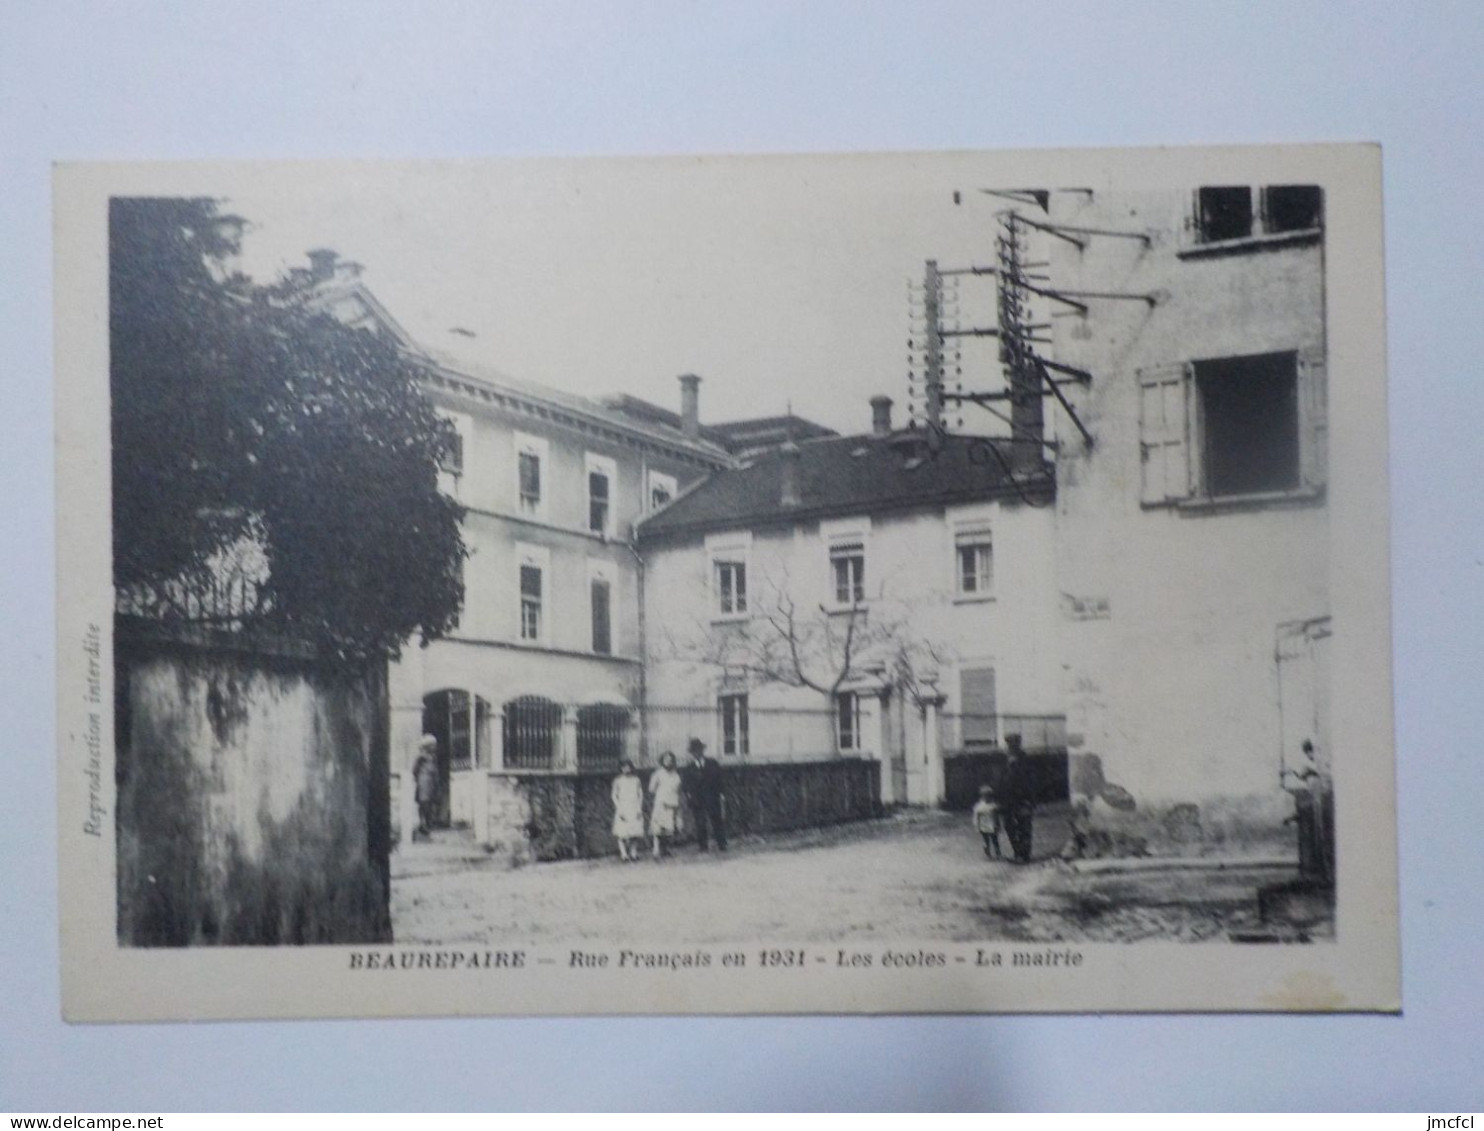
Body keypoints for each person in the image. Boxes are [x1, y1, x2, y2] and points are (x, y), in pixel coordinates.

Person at [682, 737, 727, 852]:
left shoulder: (712, 764)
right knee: (700, 823)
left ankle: (722, 844)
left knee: (716, 820)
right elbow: (686, 785)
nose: (697, 753)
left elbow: (720, 780)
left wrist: (721, 794)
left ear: (702, 751)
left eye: (699, 750)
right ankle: (703, 846)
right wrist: (689, 796)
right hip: (698, 800)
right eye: (694, 751)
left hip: (712, 797)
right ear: (692, 753)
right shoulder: (689, 768)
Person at [997, 733, 1037, 863]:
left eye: (1014, 744)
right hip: (1007, 800)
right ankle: (1017, 852)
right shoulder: (1004, 760)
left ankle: (1024, 855)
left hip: (1023, 799)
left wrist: (1031, 800)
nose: (1011, 747)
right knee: (1009, 827)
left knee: (1024, 827)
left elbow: (1032, 780)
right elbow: (1000, 780)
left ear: (1018, 745)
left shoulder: (1025, 760)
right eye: (1009, 744)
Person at [647, 751, 683, 859]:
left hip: (673, 802)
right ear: (662, 760)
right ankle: (656, 849)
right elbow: (651, 789)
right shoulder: (658, 774)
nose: (668, 761)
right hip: (661, 803)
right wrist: (661, 794)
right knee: (658, 827)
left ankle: (665, 849)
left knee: (669, 827)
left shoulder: (676, 774)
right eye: (666, 759)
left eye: (671, 759)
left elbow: (678, 789)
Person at [610, 759, 646, 862]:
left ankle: (633, 853)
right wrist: (619, 808)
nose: (627, 769)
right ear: (621, 768)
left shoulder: (636, 780)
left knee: (635, 832)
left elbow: (640, 795)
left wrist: (639, 808)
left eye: (628, 767)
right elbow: (614, 795)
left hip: (634, 807)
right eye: (624, 767)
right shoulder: (618, 780)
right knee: (622, 833)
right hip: (623, 807)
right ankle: (624, 854)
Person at [411, 734, 440, 841]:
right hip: (424, 781)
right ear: (428, 746)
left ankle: (427, 824)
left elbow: (435, 769)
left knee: (430, 804)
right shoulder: (421, 756)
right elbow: (414, 769)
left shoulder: (433, 757)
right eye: (432, 745)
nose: (434, 747)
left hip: (432, 781)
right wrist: (419, 779)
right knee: (424, 803)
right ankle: (422, 824)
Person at [971, 784, 1003, 860]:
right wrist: (977, 825)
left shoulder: (994, 805)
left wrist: (998, 824)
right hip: (984, 826)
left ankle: (998, 853)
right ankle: (987, 853)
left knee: (995, 840)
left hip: (993, 825)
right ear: (982, 796)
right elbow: (976, 817)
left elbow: (997, 816)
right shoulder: (979, 806)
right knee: (986, 841)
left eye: (989, 796)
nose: (987, 798)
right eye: (985, 796)